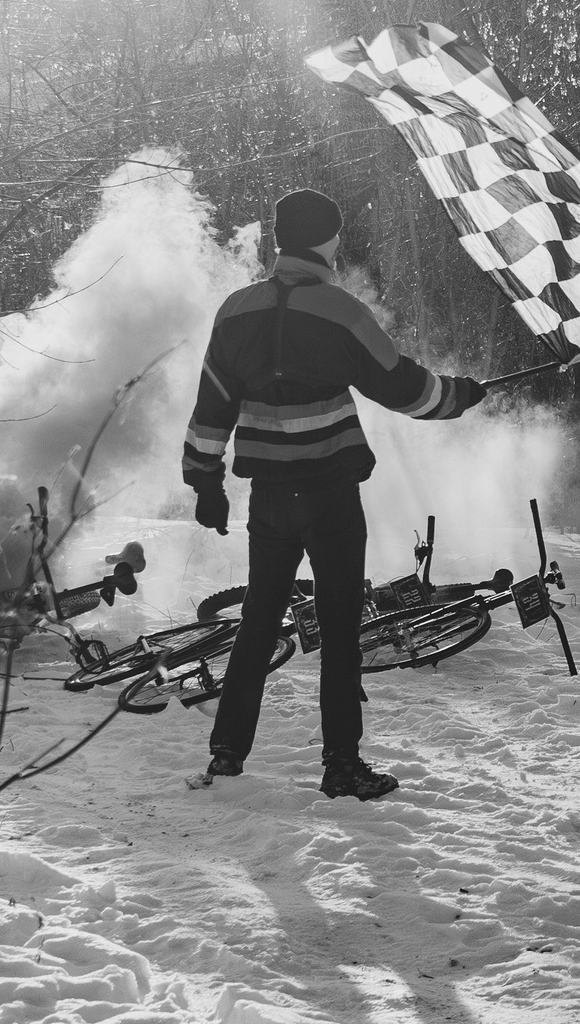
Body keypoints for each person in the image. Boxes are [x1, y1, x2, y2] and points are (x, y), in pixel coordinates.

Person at [181, 190, 486, 798]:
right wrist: (461, 396)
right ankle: (341, 767)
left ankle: (226, 754)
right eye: (337, 237)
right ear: (326, 240)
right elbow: (403, 389)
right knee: (341, 629)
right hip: (329, 498)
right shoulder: (341, 312)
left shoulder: (233, 312)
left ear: (278, 239)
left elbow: (211, 409)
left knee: (258, 622)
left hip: (268, 499)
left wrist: (206, 484)